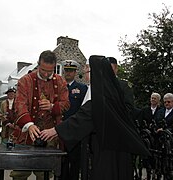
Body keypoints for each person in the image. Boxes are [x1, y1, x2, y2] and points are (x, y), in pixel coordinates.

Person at [40, 55, 149, 180]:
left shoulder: (104, 95)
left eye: (87, 70)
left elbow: (86, 115)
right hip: (108, 146)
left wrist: (56, 130)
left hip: (107, 150)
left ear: (95, 72)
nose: (85, 74)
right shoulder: (104, 90)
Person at [11, 50, 70, 180]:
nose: (46, 74)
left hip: (49, 136)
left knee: (44, 174)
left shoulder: (61, 81)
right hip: (26, 135)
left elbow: (66, 104)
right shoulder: (25, 81)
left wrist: (52, 107)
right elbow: (19, 105)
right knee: (19, 173)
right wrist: (29, 125)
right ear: (38, 64)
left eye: (50, 71)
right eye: (43, 70)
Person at [61, 59, 88, 180]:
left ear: (75, 72)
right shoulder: (58, 87)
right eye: (66, 70)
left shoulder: (82, 88)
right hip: (59, 128)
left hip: (74, 130)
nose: (68, 73)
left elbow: (84, 109)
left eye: (71, 71)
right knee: (61, 160)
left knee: (75, 160)